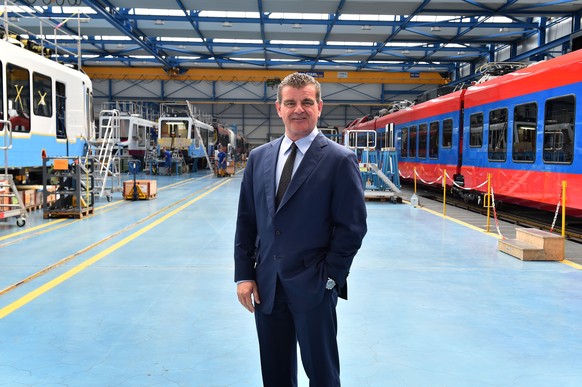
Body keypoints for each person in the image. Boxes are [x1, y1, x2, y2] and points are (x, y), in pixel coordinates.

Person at [234, 72, 367, 387]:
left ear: (319, 107)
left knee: (322, 373)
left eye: (307, 102)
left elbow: (352, 228)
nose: (298, 109)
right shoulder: (259, 158)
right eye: (290, 102)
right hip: (267, 285)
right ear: (278, 108)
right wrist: (245, 274)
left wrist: (330, 278)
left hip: (315, 286)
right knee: (275, 374)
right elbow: (247, 220)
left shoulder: (339, 160)